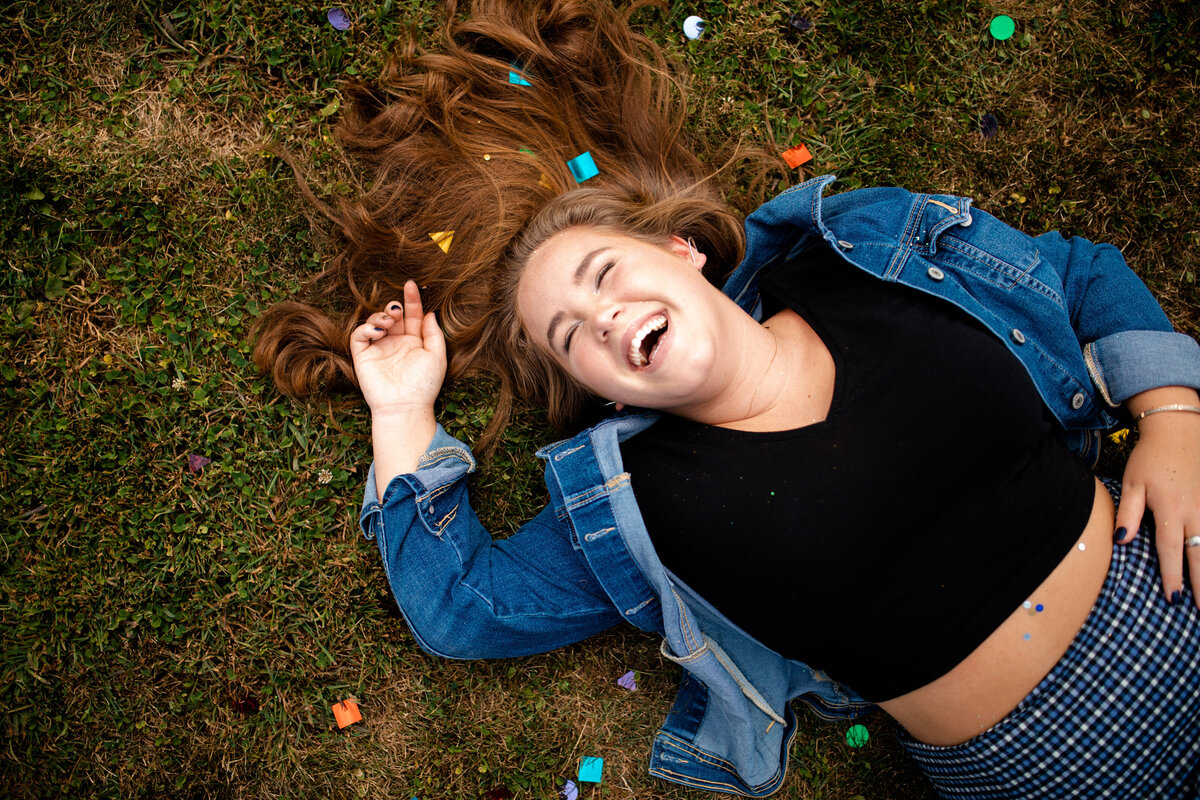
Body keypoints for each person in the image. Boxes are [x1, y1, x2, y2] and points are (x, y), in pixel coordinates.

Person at [253, 0, 1200, 796]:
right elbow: (467, 612)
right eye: (574, 337)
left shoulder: (862, 253)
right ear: (593, 385)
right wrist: (403, 413)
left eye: (601, 273)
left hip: (1175, 587)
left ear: (681, 251)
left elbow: (1077, 277)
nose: (605, 316)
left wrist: (1171, 416)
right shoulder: (634, 502)